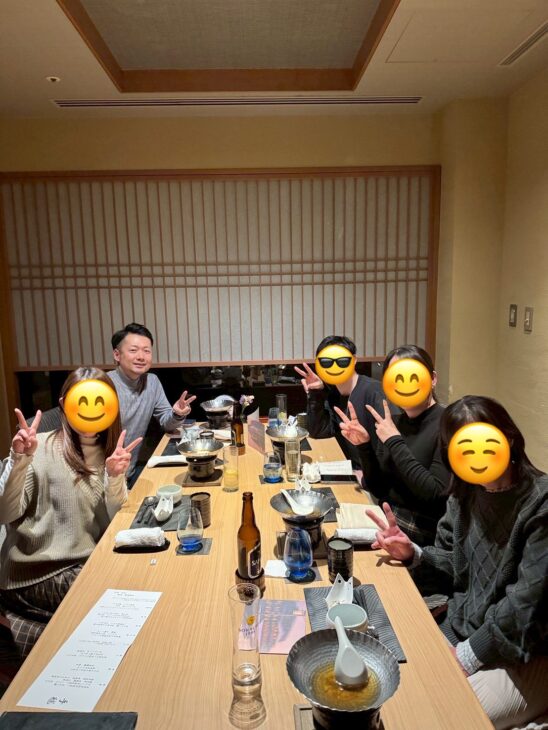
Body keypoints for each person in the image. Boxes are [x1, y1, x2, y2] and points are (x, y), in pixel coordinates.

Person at [366, 395, 548, 730]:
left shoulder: (540, 503)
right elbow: (453, 563)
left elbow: (525, 605)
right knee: (384, 689)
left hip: (523, 651)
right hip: (463, 629)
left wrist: (467, 654)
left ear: (508, 439)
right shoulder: (464, 494)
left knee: (430, 718)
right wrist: (414, 554)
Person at [0, 367, 139, 657]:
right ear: (64, 404)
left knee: (140, 578)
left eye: (100, 401)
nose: (91, 409)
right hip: (38, 572)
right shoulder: (38, 448)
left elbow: (115, 518)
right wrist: (19, 460)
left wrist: (115, 477)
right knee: (123, 601)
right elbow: (6, 514)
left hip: (85, 562)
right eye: (82, 400)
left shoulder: (108, 452)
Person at [337, 345, 449, 545]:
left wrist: (394, 441)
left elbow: (435, 496)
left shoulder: (448, 425)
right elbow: (379, 489)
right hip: (387, 527)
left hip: (423, 541)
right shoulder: (393, 423)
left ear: (432, 379)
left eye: (413, 376)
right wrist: (364, 446)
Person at [109, 322, 196, 484]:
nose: (141, 357)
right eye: (133, 350)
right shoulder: (103, 385)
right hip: (103, 478)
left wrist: (177, 413)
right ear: (117, 355)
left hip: (129, 472)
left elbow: (167, 423)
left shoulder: (152, 382)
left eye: (146, 351)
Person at [295, 335, 388, 468]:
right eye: (326, 362)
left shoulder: (374, 392)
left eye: (342, 361)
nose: (334, 367)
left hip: (372, 475)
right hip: (350, 469)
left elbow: (389, 448)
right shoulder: (334, 394)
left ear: (354, 360)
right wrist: (316, 394)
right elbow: (319, 432)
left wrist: (366, 474)